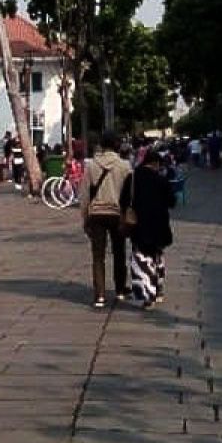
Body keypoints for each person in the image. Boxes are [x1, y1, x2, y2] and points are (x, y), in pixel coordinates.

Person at [79, 131, 132, 309]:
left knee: (98, 256)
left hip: (97, 213)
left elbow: (84, 195)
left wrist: (85, 217)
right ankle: (120, 289)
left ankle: (100, 295)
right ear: (117, 145)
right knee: (119, 253)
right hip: (117, 214)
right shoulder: (125, 166)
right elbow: (130, 194)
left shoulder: (91, 166)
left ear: (101, 145)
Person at [121, 150, 176, 309]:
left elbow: (124, 200)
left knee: (142, 259)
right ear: (157, 164)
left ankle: (147, 296)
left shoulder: (132, 178)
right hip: (159, 226)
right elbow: (172, 202)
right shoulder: (161, 180)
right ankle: (158, 289)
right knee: (156, 256)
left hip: (138, 225)